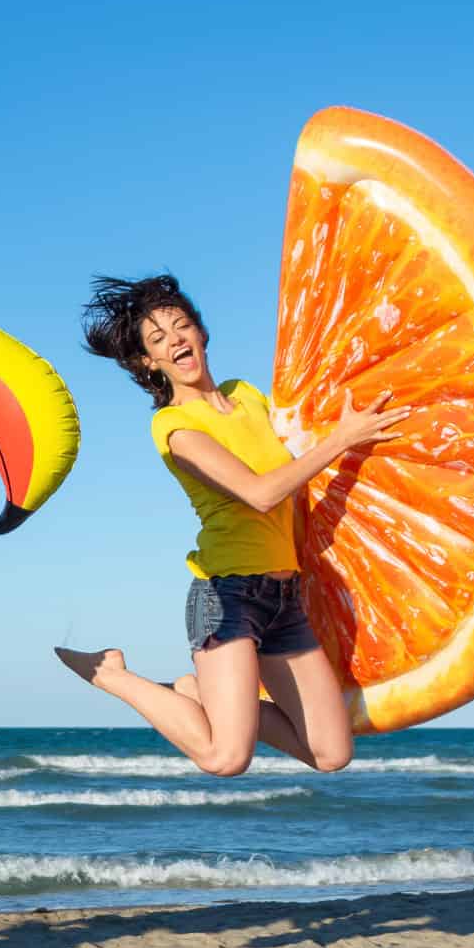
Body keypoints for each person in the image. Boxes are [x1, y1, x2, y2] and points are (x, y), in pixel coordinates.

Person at [56, 274, 408, 776]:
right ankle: (112, 674)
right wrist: (345, 438)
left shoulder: (248, 396)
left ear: (200, 333)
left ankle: (205, 694)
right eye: (158, 339)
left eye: (182, 327)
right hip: (227, 596)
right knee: (226, 758)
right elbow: (261, 493)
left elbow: (301, 455)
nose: (175, 339)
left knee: (333, 754)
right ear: (148, 363)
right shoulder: (174, 426)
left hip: (285, 599)